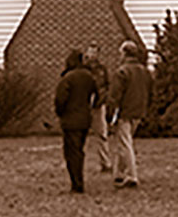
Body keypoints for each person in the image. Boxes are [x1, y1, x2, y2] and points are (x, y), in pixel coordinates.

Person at [108, 40, 153, 189]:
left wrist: (110, 115)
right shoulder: (145, 72)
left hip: (125, 112)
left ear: (125, 53)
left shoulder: (122, 72)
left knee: (125, 143)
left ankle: (131, 175)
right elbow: (151, 92)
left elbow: (115, 96)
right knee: (124, 142)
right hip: (139, 111)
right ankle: (119, 173)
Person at [54, 49, 98, 194]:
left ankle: (77, 184)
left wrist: (60, 113)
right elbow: (96, 95)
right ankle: (79, 181)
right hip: (85, 119)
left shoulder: (68, 78)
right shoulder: (89, 77)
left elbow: (60, 99)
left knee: (71, 153)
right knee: (79, 150)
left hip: (70, 120)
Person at [83, 44, 112, 174]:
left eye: (95, 52)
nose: (92, 55)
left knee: (101, 134)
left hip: (98, 105)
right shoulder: (83, 69)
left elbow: (107, 85)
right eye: (90, 52)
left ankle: (105, 162)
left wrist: (102, 99)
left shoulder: (102, 69)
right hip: (83, 106)